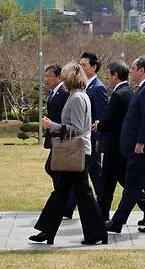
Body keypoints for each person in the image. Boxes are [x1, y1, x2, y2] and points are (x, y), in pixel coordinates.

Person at [30, 62, 107, 245]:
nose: (62, 80)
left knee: (82, 194)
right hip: (74, 152)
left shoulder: (78, 98)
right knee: (63, 192)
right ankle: (48, 230)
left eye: (64, 77)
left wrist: (53, 126)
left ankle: (96, 233)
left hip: (77, 152)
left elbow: (79, 128)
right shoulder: (76, 96)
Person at [106, 57, 145, 234]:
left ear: (142, 70)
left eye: (133, 68)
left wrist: (141, 142)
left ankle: (117, 222)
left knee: (132, 183)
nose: (131, 71)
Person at [94, 61, 145, 223]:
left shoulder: (118, 95)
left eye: (109, 74)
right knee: (125, 181)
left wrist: (99, 124)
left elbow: (110, 120)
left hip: (113, 146)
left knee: (107, 184)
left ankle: (101, 216)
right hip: (121, 145)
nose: (107, 77)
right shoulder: (130, 92)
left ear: (115, 75)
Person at [62, 52, 107, 219]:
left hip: (90, 142)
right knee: (84, 180)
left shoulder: (99, 88)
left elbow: (100, 118)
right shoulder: (84, 89)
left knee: (90, 179)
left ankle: (101, 209)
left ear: (94, 68)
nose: (81, 68)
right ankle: (69, 208)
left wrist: (99, 140)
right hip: (83, 144)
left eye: (84, 65)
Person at [43, 64, 70, 188]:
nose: (46, 79)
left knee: (52, 168)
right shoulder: (53, 93)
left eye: (50, 76)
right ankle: (61, 196)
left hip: (61, 137)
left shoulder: (64, 93)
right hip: (54, 137)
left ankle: (62, 197)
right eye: (45, 76)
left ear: (59, 77)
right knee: (53, 169)